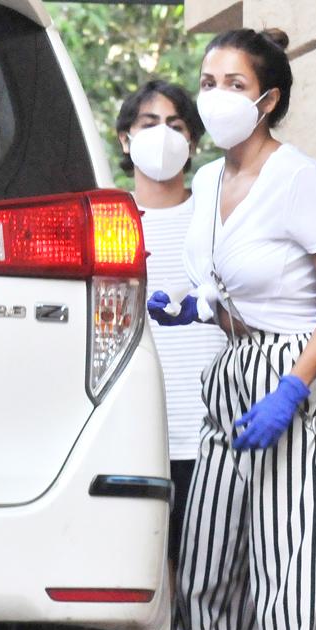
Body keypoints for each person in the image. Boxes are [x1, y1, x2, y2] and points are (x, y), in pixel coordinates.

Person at [145, 27, 316, 630]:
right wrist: (190, 310)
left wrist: (293, 388)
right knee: (206, 577)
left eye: (233, 86)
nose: (215, 97)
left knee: (293, 586)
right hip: (232, 378)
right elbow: (230, 287)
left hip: (293, 380)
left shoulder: (299, 177)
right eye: (208, 83)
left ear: (267, 100)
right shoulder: (209, 181)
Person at [115, 79, 224, 565]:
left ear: (193, 143)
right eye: (149, 123)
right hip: (131, 435)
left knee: (210, 583)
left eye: (176, 126)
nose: (162, 135)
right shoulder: (109, 225)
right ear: (125, 138)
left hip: (211, 434)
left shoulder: (216, 218)